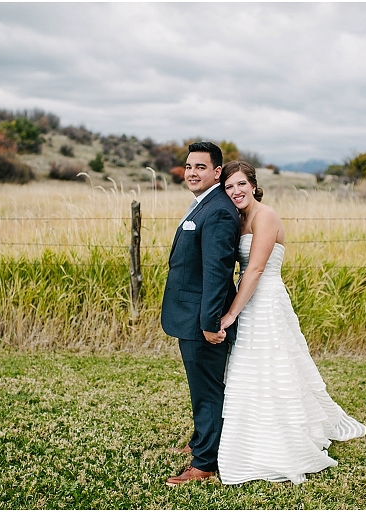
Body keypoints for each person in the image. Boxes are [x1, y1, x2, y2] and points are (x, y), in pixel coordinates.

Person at [217, 160, 366, 485]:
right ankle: (249, 434)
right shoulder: (238, 219)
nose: (235, 191)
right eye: (229, 187)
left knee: (274, 365)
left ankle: (283, 437)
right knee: (251, 367)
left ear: (254, 185)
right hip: (248, 297)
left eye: (241, 184)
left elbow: (254, 270)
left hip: (265, 299)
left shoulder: (265, 215)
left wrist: (230, 314)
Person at [161, 142, 241, 486]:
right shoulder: (204, 204)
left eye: (201, 167)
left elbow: (218, 271)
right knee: (200, 388)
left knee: (207, 391)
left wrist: (210, 324)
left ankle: (205, 463)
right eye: (189, 166)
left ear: (217, 172)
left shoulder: (219, 210)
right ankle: (201, 442)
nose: (192, 172)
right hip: (190, 314)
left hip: (202, 320)